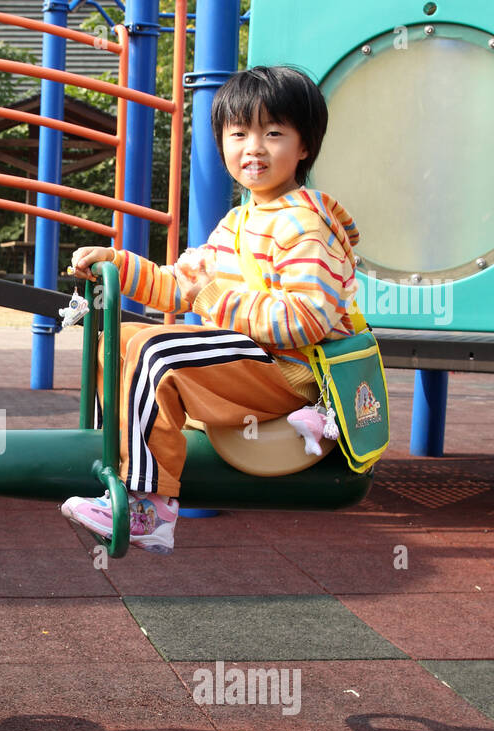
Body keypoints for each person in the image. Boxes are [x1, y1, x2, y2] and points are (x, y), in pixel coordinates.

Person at [62, 65, 360, 553]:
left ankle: (149, 505)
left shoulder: (305, 226)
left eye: (274, 133)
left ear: (304, 146)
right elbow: (180, 285)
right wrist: (115, 262)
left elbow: (303, 320)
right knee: (121, 342)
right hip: (251, 360)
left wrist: (212, 298)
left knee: (158, 353)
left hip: (291, 373)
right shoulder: (239, 222)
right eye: (239, 133)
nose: (254, 148)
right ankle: (121, 462)